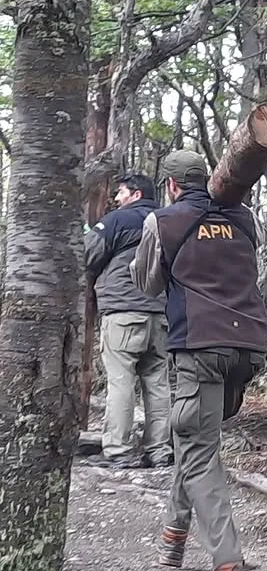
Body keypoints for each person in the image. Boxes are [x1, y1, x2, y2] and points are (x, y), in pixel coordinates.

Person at [131, 150, 267, 571]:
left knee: (197, 450)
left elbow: (147, 283)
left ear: (171, 186)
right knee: (195, 440)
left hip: (200, 346)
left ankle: (227, 569)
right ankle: (173, 543)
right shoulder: (245, 218)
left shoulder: (164, 221)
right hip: (249, 347)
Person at [85, 173, 173, 469]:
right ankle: (159, 450)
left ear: (136, 195)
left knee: (121, 381)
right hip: (160, 314)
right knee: (157, 383)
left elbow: (87, 254)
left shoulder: (117, 220)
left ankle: (118, 450)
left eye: (121, 192)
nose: (116, 198)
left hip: (123, 313)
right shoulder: (169, 220)